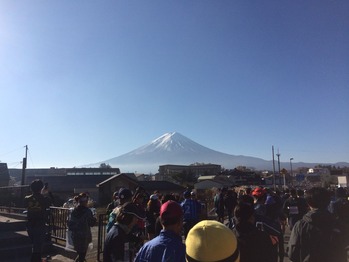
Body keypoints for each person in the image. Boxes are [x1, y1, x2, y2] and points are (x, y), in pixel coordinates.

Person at [288, 187, 347, 262]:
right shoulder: (337, 223)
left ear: (309, 203)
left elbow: (292, 253)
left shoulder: (300, 225)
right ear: (328, 201)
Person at [24, 179, 50, 262]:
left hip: (30, 225)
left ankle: (38, 259)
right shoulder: (44, 198)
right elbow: (48, 204)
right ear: (41, 188)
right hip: (40, 224)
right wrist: (44, 194)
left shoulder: (26, 198)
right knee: (38, 247)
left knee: (35, 245)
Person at [67, 192, 97, 262]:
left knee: (80, 254)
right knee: (82, 255)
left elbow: (70, 223)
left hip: (75, 235)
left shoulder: (73, 211)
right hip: (84, 236)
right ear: (86, 201)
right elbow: (91, 223)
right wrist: (95, 218)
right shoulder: (87, 211)